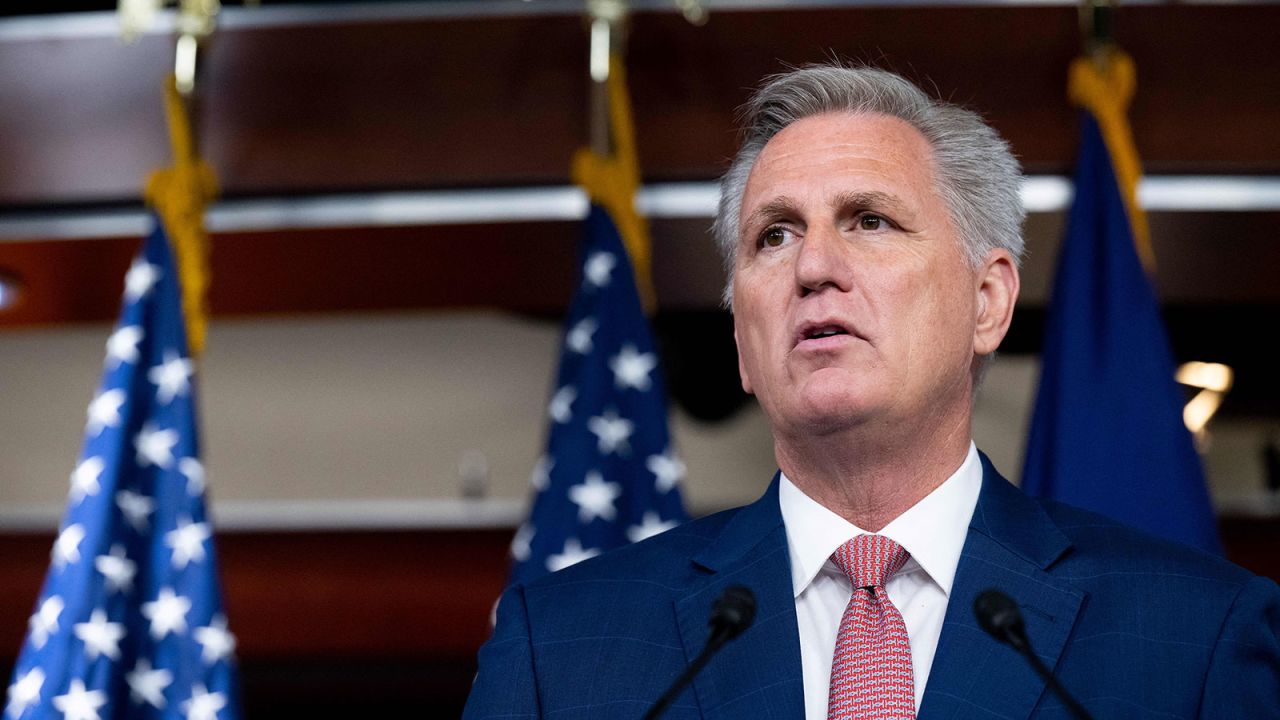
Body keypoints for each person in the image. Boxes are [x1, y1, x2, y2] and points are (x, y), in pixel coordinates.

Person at [462, 64, 1280, 720]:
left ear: (988, 301)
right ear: (743, 341)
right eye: (773, 235)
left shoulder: (1195, 637)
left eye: (869, 221)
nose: (813, 267)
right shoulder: (561, 650)